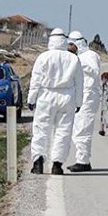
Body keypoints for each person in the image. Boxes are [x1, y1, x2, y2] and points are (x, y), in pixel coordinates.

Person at [28, 28, 84, 175]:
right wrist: (79, 102)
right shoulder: (73, 58)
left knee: (41, 129)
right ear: (64, 40)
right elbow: (79, 82)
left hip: (46, 96)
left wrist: (31, 99)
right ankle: (57, 164)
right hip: (67, 97)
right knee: (63, 131)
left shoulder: (43, 57)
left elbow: (36, 80)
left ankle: (38, 162)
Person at [67, 30, 101, 172]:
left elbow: (94, 70)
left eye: (70, 45)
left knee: (82, 129)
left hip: (89, 96)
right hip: (81, 97)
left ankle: (83, 161)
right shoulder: (79, 57)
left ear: (76, 44)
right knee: (77, 129)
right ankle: (81, 159)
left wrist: (78, 64)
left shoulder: (90, 56)